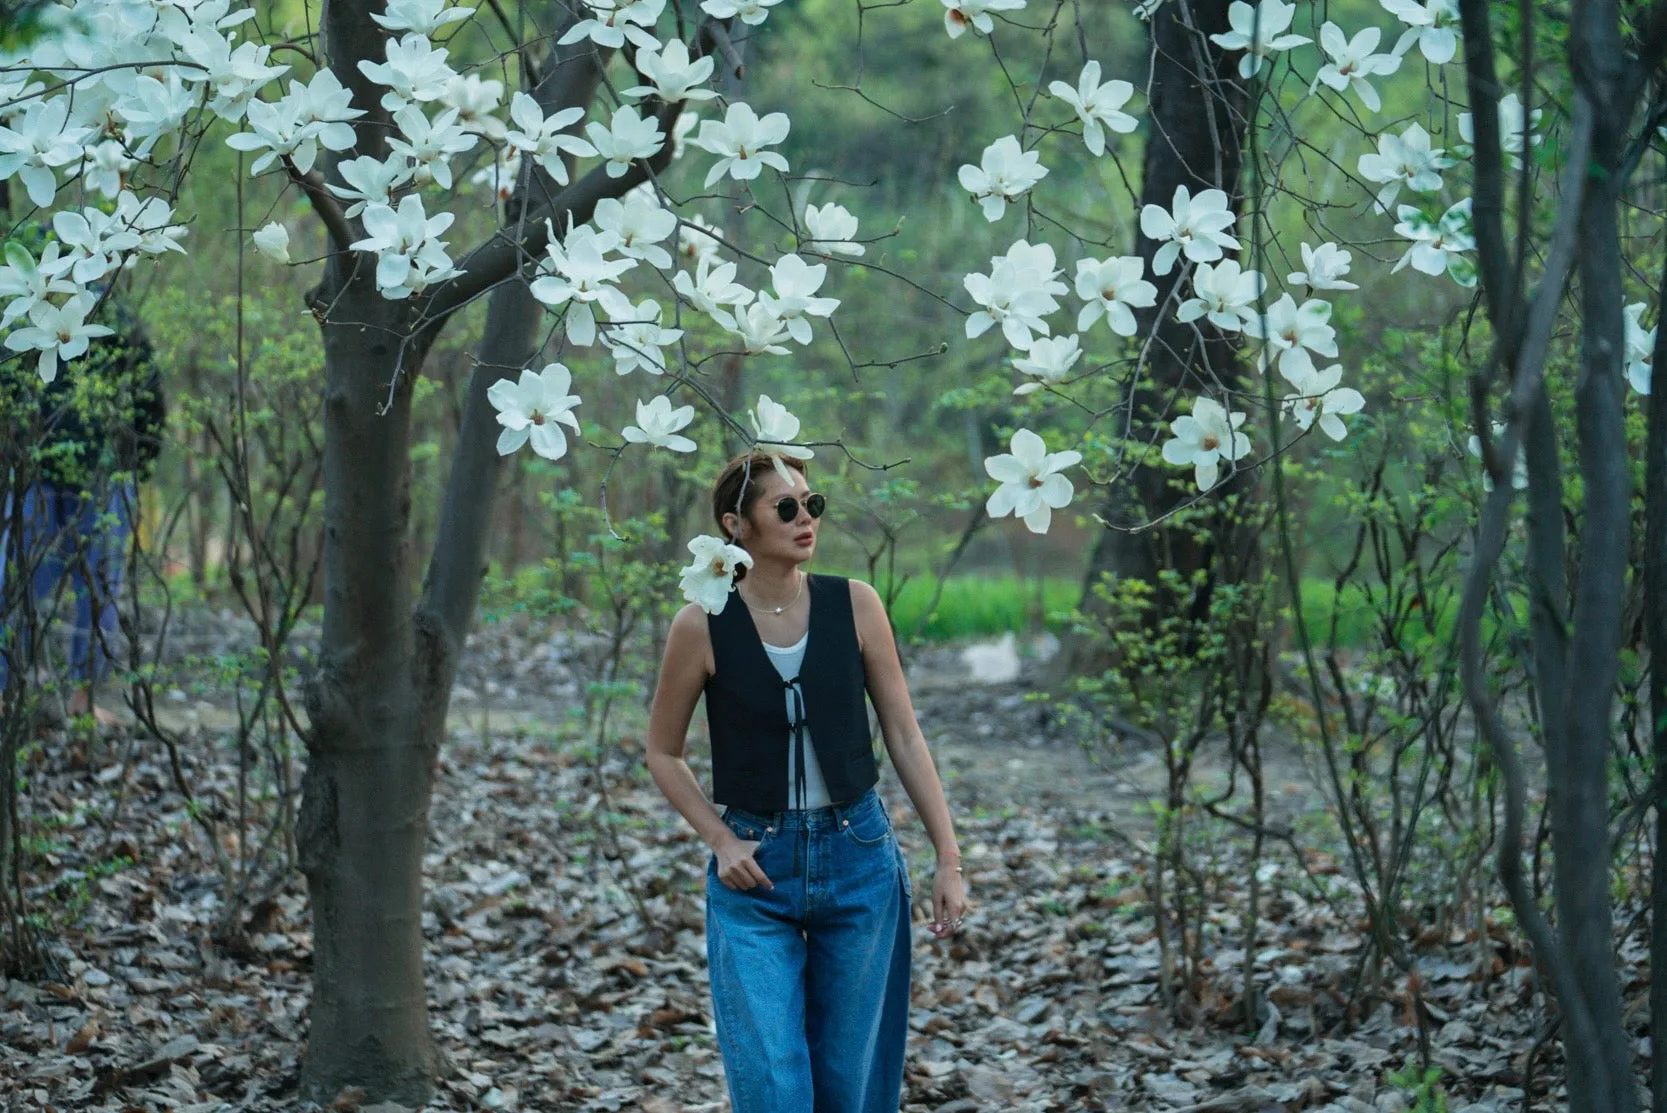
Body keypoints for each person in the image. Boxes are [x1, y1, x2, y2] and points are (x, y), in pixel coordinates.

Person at [645, 452, 968, 1113]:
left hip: (858, 857)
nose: (805, 518)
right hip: (754, 869)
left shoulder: (855, 604)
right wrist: (720, 840)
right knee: (774, 1081)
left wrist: (948, 856)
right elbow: (661, 751)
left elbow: (904, 736)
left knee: (850, 1080)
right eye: (785, 507)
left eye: (811, 504)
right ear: (736, 524)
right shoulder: (700, 623)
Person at [0, 276, 164, 727]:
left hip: (102, 480)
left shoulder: (117, 320)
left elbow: (149, 396)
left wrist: (135, 466)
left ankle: (82, 698)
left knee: (98, 592)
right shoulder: (25, 317)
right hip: (37, 476)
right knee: (12, 580)